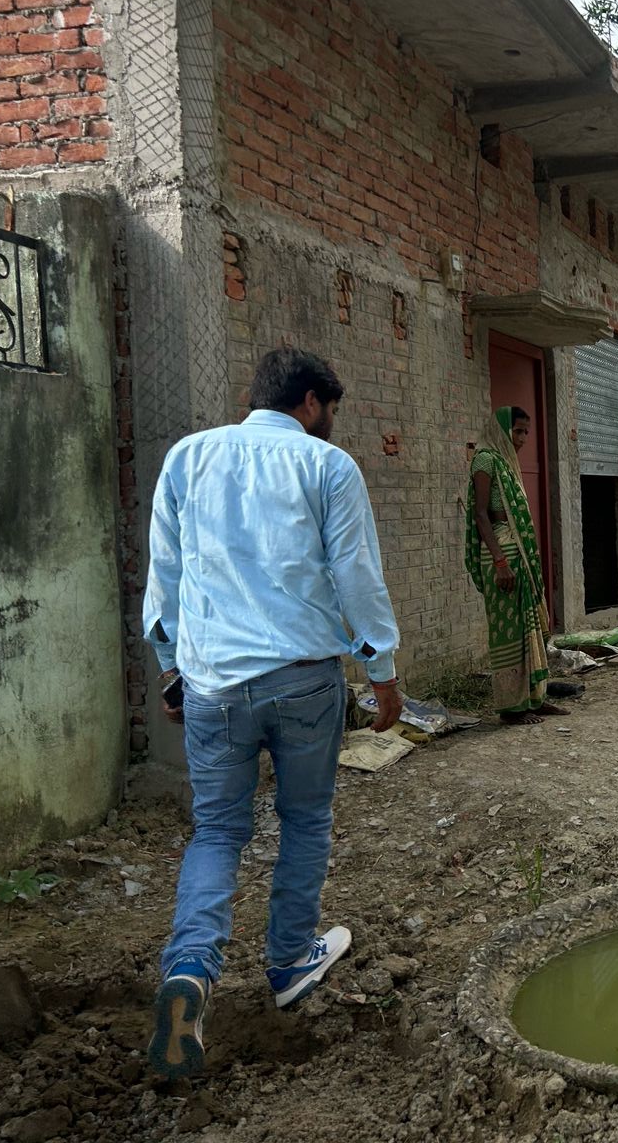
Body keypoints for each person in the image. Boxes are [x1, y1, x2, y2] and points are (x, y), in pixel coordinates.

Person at [142, 348, 402, 1080]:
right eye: (331, 410)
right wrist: (382, 672)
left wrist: (171, 667)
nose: (331, 422)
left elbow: (165, 573)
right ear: (311, 402)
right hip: (304, 683)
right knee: (306, 819)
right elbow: (355, 575)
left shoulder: (188, 457)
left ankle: (190, 970)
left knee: (218, 830)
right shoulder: (328, 467)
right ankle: (289, 962)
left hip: (214, 686)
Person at [467, 406, 568, 725]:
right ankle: (512, 708)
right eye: (518, 431)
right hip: (500, 556)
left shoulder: (506, 463)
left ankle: (535, 699)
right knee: (508, 632)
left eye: (526, 432)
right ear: (501, 429)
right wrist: (500, 561)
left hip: (517, 554)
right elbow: (481, 514)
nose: (523, 438)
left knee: (529, 628)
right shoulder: (485, 460)